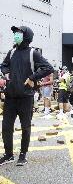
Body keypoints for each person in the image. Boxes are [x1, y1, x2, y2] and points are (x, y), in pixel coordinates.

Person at [0, 26, 53, 166]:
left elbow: (48, 68)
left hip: (26, 97)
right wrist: (6, 73)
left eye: (19, 33)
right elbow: (3, 65)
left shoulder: (32, 53)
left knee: (25, 127)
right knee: (6, 127)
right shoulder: (11, 52)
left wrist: (32, 77)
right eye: (15, 33)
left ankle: (23, 154)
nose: (16, 35)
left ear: (26, 36)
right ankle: (8, 154)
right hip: (10, 97)